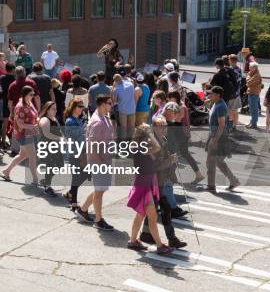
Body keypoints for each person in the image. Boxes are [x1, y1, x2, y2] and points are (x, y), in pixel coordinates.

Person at [138, 117, 187, 249]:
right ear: (153, 127)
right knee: (162, 209)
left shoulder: (163, 141)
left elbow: (166, 161)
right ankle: (170, 238)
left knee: (153, 210)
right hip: (151, 183)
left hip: (159, 182)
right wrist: (169, 161)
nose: (164, 128)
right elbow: (153, 166)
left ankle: (146, 234)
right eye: (160, 126)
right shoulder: (150, 143)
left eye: (165, 126)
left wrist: (172, 174)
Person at [126, 123, 175, 255]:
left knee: (141, 215)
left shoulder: (142, 146)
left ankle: (132, 241)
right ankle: (159, 246)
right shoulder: (139, 147)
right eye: (149, 131)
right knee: (152, 217)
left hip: (146, 183)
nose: (152, 132)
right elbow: (157, 146)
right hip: (144, 185)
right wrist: (150, 134)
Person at [75, 95, 115, 231]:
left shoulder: (105, 117)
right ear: (102, 104)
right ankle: (98, 220)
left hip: (105, 160)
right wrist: (101, 162)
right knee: (99, 190)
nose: (112, 105)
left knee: (100, 189)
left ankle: (83, 209)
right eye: (109, 103)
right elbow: (92, 145)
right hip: (99, 161)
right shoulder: (98, 121)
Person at [0, 86, 40, 184]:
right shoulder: (20, 106)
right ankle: (35, 179)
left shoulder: (29, 102)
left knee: (23, 155)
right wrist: (33, 126)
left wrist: (37, 120)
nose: (33, 96)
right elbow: (20, 124)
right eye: (31, 94)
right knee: (32, 157)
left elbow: (35, 115)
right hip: (24, 134)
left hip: (29, 133)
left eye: (33, 94)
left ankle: (7, 171)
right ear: (25, 95)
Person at [204, 86, 240, 192]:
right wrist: (209, 107)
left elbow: (221, 125)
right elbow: (215, 116)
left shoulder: (220, 106)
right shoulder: (217, 103)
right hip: (215, 135)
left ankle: (211, 185)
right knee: (218, 161)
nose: (209, 95)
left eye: (211, 94)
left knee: (212, 161)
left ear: (218, 95)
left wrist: (214, 141)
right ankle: (233, 180)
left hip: (218, 137)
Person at [166, 91, 204, 185]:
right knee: (180, 153)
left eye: (170, 98)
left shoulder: (181, 107)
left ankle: (197, 175)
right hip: (178, 132)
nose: (169, 100)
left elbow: (176, 119)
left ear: (175, 98)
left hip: (180, 133)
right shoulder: (179, 105)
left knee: (180, 153)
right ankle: (197, 175)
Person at [62, 98, 90, 211]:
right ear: (73, 107)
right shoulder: (70, 121)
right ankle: (73, 204)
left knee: (87, 174)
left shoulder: (79, 119)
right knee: (76, 177)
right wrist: (85, 131)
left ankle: (70, 193)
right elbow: (73, 138)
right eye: (79, 106)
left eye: (82, 106)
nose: (82, 108)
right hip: (75, 153)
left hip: (82, 151)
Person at [38, 101, 63, 197]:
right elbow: (46, 134)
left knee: (60, 165)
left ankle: (46, 180)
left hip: (55, 147)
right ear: (47, 110)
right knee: (50, 166)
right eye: (53, 109)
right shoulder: (45, 119)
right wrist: (59, 138)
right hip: (48, 147)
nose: (55, 110)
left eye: (56, 108)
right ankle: (47, 187)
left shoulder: (53, 118)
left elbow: (59, 130)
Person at [113, 72, 136, 141]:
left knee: (123, 128)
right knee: (131, 127)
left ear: (115, 81)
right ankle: (131, 141)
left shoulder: (116, 89)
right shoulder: (131, 84)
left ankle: (124, 142)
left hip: (122, 110)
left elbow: (114, 100)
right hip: (132, 108)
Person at [245, 62, 262, 129]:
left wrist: (248, 80)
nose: (249, 68)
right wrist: (248, 79)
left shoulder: (257, 75)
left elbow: (248, 83)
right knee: (252, 109)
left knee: (254, 109)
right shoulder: (251, 73)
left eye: (250, 67)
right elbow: (247, 79)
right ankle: (252, 122)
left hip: (254, 94)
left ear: (254, 68)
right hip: (251, 93)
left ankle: (254, 124)